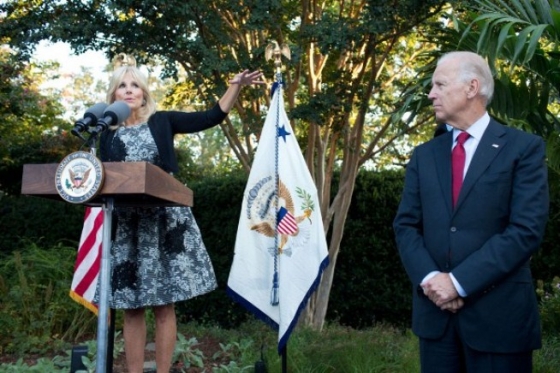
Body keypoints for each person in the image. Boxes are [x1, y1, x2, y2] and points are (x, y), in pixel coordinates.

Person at [95, 54, 265, 373]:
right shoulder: (106, 133)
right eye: (122, 86)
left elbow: (210, 117)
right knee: (131, 307)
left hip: (164, 222)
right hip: (129, 227)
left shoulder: (163, 121)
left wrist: (234, 87)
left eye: (135, 85)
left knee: (163, 303)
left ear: (144, 93)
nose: (129, 90)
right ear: (113, 95)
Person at [393, 51, 549, 373]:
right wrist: (432, 280)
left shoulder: (523, 149)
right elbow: (406, 225)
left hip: (500, 324)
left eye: (439, 84)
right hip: (436, 324)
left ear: (471, 87)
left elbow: (525, 231)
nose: (431, 93)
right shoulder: (424, 156)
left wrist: (459, 282)